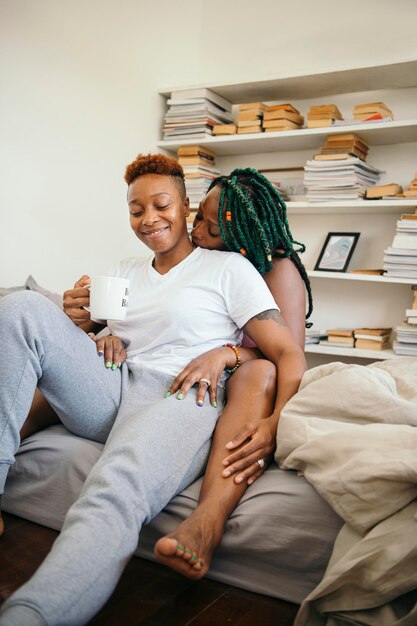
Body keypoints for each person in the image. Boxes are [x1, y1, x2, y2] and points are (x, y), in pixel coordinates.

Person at [0, 153, 306, 626]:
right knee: (22, 308)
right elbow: (92, 330)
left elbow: (286, 353)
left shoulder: (227, 269)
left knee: (114, 485)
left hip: (180, 394)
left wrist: (272, 421)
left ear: (185, 208)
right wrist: (83, 321)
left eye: (161, 205)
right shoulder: (122, 270)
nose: (149, 219)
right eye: (136, 209)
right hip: (112, 387)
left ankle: (32, 615)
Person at [154, 167, 313, 578]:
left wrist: (275, 420)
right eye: (198, 216)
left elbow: (286, 356)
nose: (197, 228)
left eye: (211, 223)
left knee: (258, 369)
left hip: (261, 381)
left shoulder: (279, 271)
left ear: (245, 228)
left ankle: (207, 523)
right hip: (198, 374)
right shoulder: (213, 260)